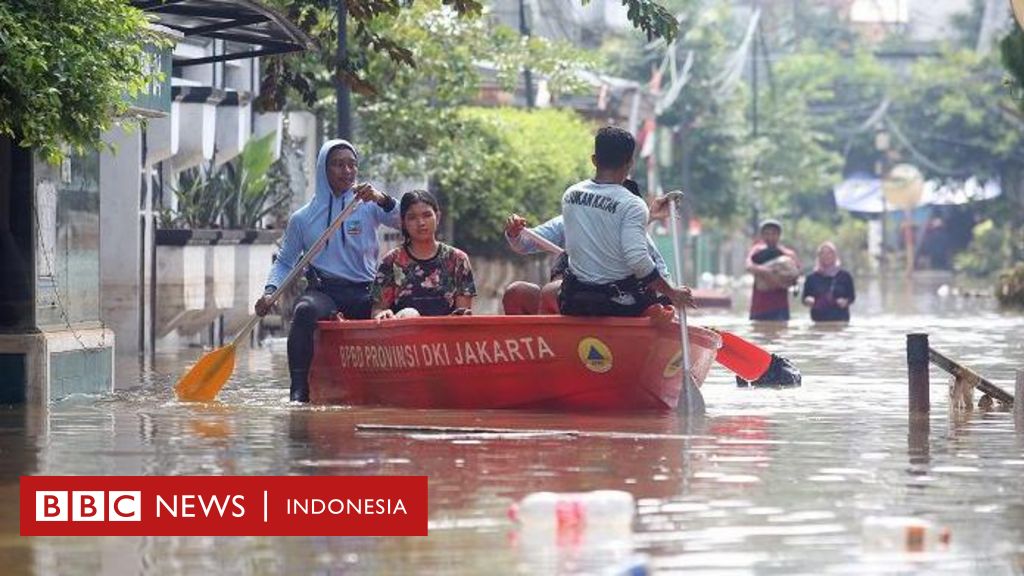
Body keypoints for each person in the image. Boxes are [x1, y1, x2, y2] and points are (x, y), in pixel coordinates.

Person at [254, 139, 400, 402]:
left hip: (366, 291)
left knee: (401, 309)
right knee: (304, 311)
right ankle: (298, 390)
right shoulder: (303, 218)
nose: (347, 171)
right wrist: (270, 292)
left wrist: (382, 198)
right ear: (324, 169)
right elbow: (285, 261)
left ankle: (394, 384)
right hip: (325, 291)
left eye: (352, 165)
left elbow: (405, 219)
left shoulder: (369, 206)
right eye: (338, 165)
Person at [557, 126, 693, 316]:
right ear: (630, 163)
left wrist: (650, 216)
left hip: (574, 301)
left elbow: (605, 234)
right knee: (665, 302)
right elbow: (637, 260)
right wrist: (672, 292)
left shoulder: (570, 195)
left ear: (594, 160)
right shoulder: (632, 204)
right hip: (618, 305)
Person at [502, 180, 674, 316]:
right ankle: (541, 349)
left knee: (551, 291)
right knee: (519, 293)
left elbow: (660, 278)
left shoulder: (636, 236)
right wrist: (515, 232)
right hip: (570, 302)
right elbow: (525, 242)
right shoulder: (572, 219)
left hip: (616, 306)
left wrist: (669, 298)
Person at [371, 190, 477, 319]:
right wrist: (382, 314)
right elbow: (378, 310)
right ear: (403, 222)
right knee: (410, 314)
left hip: (446, 335)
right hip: (402, 335)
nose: (421, 223)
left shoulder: (457, 259)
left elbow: (463, 313)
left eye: (427, 215)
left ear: (437, 217)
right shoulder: (392, 261)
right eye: (412, 217)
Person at [745, 219, 800, 321]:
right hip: (759, 306)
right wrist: (767, 272)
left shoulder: (788, 254)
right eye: (767, 234)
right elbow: (748, 266)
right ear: (762, 235)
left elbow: (796, 274)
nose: (770, 237)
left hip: (780, 307)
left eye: (774, 234)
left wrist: (779, 277)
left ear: (779, 235)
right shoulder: (756, 251)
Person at [801, 241, 855, 322]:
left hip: (840, 320)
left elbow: (852, 297)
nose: (826, 256)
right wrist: (808, 300)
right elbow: (804, 298)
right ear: (819, 256)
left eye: (830, 253)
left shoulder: (845, 276)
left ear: (835, 255)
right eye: (822, 253)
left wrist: (845, 302)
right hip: (818, 321)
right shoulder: (811, 278)